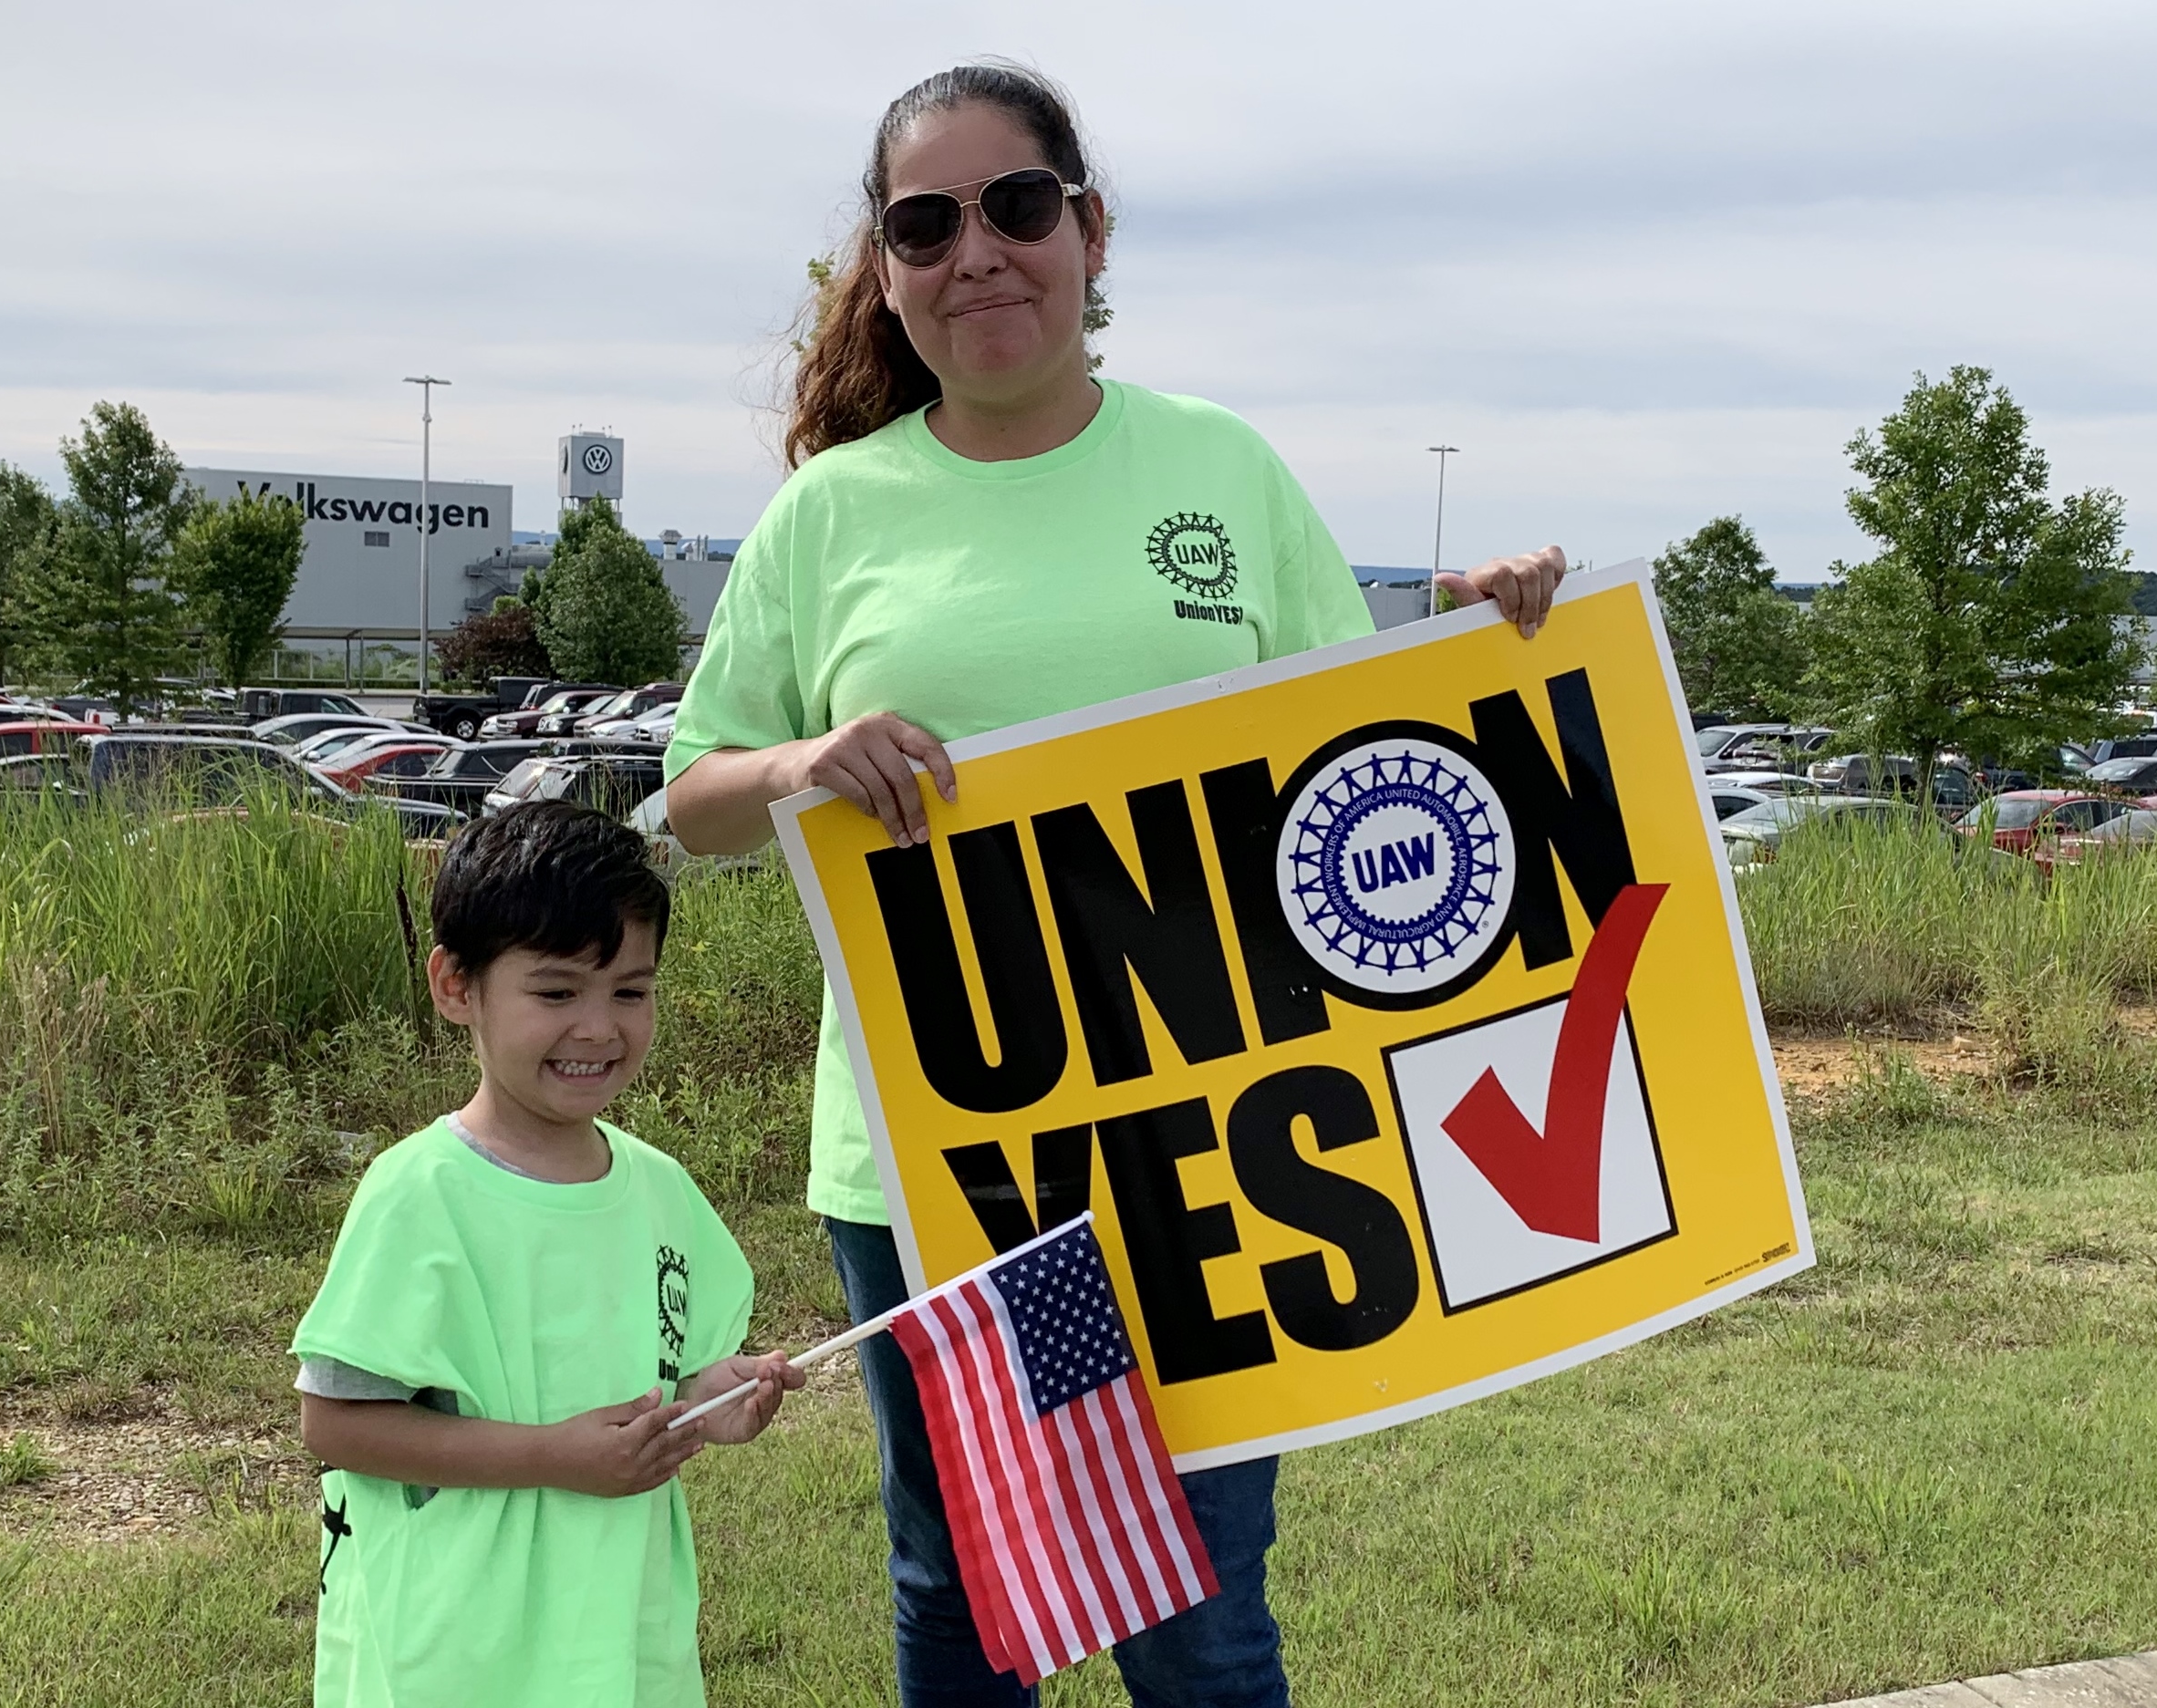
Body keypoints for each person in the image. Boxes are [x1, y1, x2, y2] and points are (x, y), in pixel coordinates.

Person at [662, 61, 1567, 1708]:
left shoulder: (1220, 467)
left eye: (1017, 207)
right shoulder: (828, 515)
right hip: (946, 1158)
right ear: (887, 268)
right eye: (926, 225)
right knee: (966, 1584)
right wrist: (798, 766)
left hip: (1215, 1134)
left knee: (1203, 1601)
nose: (979, 253)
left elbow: (1361, 764)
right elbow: (694, 794)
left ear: (1087, 229)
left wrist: (1484, 643)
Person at [290, 801, 804, 1708]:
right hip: (457, 1647)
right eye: (558, 992)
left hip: (617, 1627)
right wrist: (549, 1455)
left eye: (630, 991)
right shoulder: (418, 1195)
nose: (599, 1027)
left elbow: (658, 1375)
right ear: (457, 987)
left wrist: (704, 1402)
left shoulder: (657, 1188)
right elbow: (336, 1424)